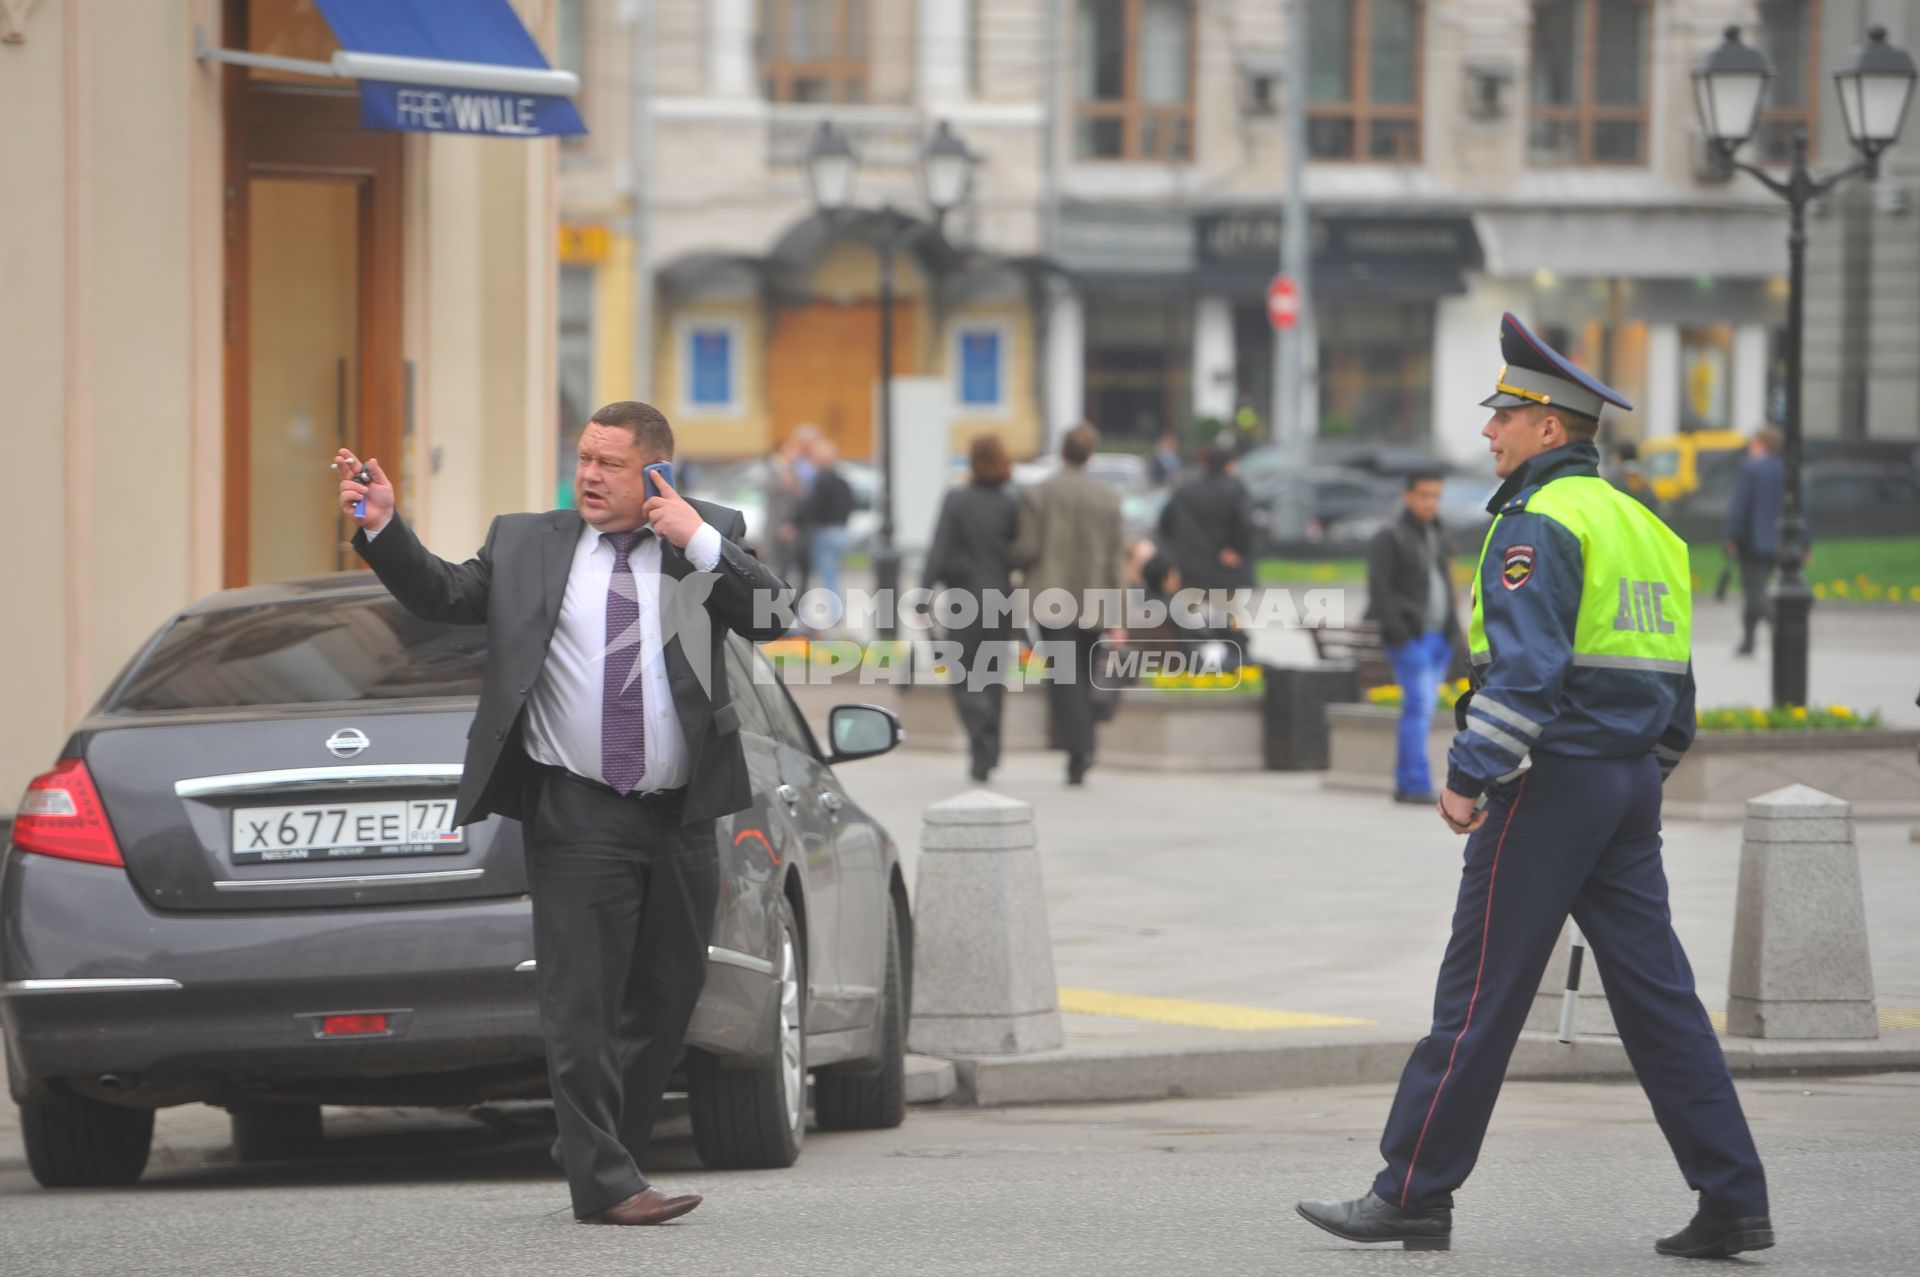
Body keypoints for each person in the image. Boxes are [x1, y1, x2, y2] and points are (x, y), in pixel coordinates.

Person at [1297, 314, 1771, 1260]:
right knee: (1660, 1000)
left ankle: (1413, 1192)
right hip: (1625, 785)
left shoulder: (1536, 524)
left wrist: (1471, 776)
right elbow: (1675, 689)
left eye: (1504, 415)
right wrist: (1640, 770)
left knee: (1477, 996)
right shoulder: (1646, 528)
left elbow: (1525, 673)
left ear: (1549, 428)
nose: (1489, 433)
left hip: (1550, 786)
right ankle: (1734, 1198)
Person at [336, 401, 792, 1227]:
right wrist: (384, 530)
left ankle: (597, 1144)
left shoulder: (704, 535)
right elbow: (442, 594)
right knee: (579, 999)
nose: (588, 474)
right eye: (584, 457)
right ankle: (607, 1182)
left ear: (655, 472)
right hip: (577, 805)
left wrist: (695, 535)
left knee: (669, 990)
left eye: (610, 463)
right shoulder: (527, 542)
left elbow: (775, 619)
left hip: (680, 810)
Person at [1011, 423, 1125, 786]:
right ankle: (1084, 745)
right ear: (1090, 455)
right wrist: (1119, 615)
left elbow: (1026, 549)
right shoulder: (1108, 497)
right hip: (1094, 599)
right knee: (1086, 674)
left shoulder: (1039, 494)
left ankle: (1081, 749)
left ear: (1062, 452)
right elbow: (1115, 561)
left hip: (1051, 597)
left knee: (1065, 678)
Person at [923, 435, 1020, 783]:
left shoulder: (957, 499)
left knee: (961, 671)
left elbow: (939, 545)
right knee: (993, 675)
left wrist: (924, 590)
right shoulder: (1009, 503)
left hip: (965, 595)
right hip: (1000, 596)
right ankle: (989, 751)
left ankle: (978, 729)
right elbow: (1017, 550)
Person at [1364, 470, 1459, 804]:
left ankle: (1406, 784)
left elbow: (1447, 581)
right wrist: (1400, 634)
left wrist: (1453, 630)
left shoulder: (1439, 533)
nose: (1430, 502)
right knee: (1419, 706)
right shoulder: (1391, 536)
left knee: (1422, 708)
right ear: (1408, 495)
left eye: (1436, 495)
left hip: (1439, 637)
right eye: (1424, 495)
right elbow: (1379, 590)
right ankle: (1416, 783)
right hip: (1411, 637)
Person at [1157, 442, 1254, 666]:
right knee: (1229, 619)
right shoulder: (1235, 488)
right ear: (1229, 465)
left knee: (1181, 617)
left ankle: (1180, 659)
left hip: (1189, 569)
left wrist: (1174, 553)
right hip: (1223, 570)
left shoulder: (1184, 489)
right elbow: (1245, 523)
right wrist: (1235, 550)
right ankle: (1235, 660)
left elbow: (1165, 523)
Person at [1725, 426, 1785, 657]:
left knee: (1755, 594)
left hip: (1750, 541)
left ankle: (1780, 626)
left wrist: (1730, 536)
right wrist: (1805, 543)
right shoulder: (1782, 469)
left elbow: (1739, 506)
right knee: (1756, 592)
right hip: (1776, 541)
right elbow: (1800, 507)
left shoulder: (1749, 469)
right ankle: (1748, 641)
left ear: (1761, 444)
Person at [797, 438, 855, 615]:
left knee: (828, 574)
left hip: (825, 531)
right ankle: (836, 610)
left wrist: (801, 521)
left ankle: (835, 611)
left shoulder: (821, 481)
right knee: (834, 572)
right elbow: (851, 504)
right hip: (840, 531)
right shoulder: (841, 480)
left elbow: (813, 506)